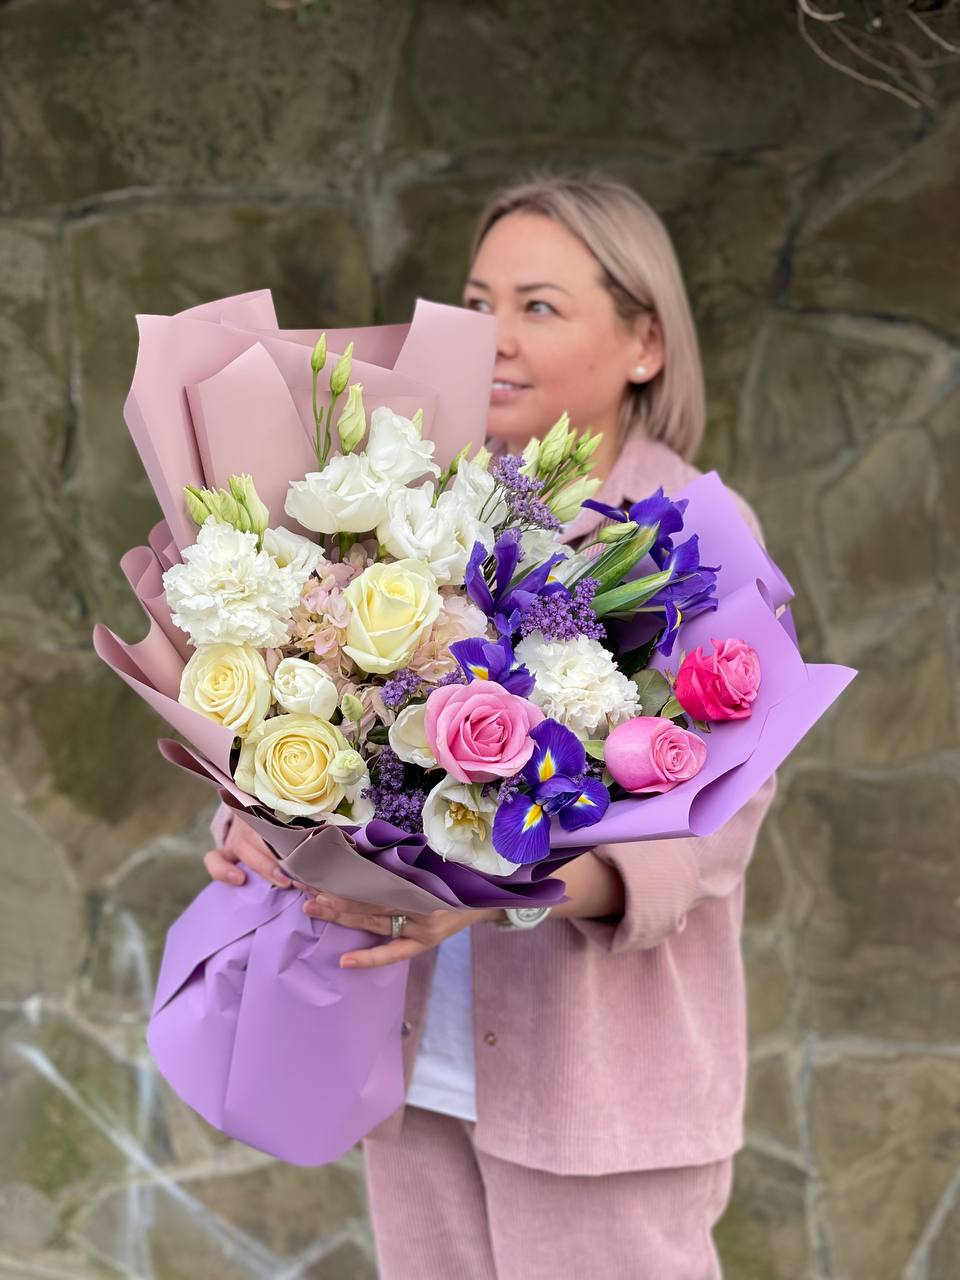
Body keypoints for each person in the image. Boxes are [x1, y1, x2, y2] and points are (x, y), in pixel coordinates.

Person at [204, 171, 776, 1279]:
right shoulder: (424, 504)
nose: (494, 336)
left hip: (598, 1100)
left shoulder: (697, 534)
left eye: (539, 306)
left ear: (646, 343)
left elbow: (721, 827)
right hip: (413, 1069)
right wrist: (260, 820)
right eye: (478, 302)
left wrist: (501, 892)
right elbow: (337, 717)